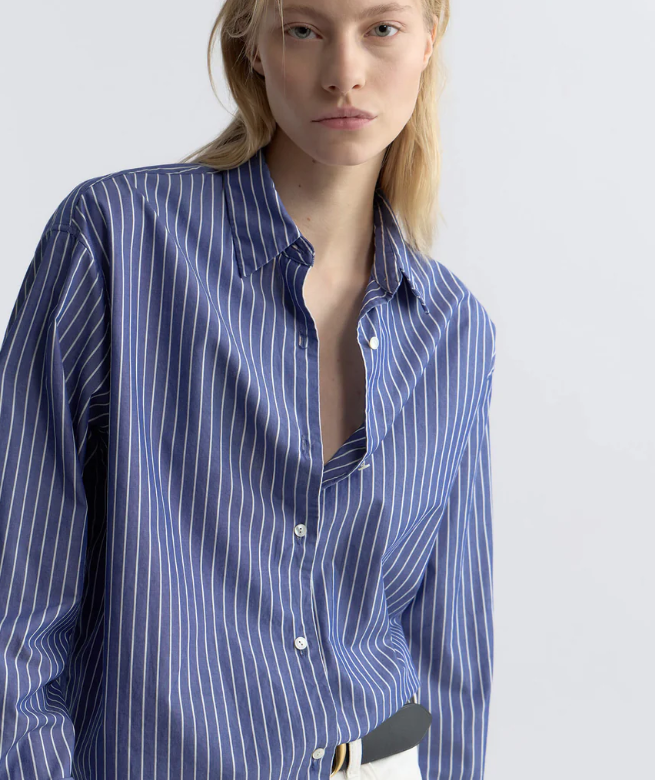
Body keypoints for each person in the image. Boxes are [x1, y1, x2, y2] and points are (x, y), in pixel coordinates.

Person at [0, 0, 497, 778]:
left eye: (381, 28)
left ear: (428, 41)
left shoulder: (453, 330)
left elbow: (447, 652)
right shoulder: (116, 241)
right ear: (254, 45)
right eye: (304, 29)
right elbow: (16, 615)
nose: (344, 74)